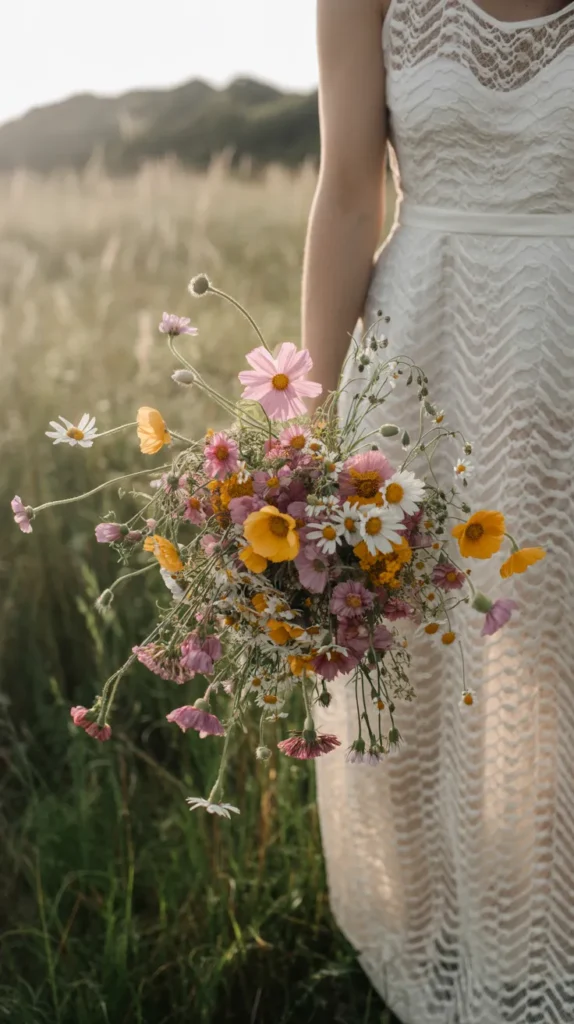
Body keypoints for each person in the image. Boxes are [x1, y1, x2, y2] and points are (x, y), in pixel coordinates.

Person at [301, 1, 574, 1022]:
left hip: (564, 358)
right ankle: (439, 935)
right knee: (413, 662)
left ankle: (547, 945)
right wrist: (310, 439)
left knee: (555, 664)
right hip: (422, 352)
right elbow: (342, 197)